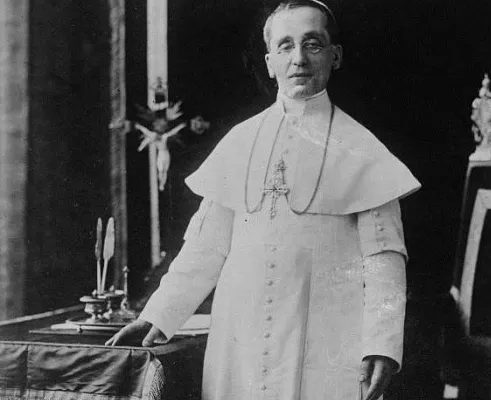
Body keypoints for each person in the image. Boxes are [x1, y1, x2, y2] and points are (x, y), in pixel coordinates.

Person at [107, 1, 421, 399]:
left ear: (335, 55)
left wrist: (381, 344)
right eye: (286, 46)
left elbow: (384, 260)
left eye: (313, 44)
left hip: (327, 341)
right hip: (242, 341)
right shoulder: (240, 141)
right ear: (270, 62)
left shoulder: (362, 149)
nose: (299, 58)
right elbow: (205, 248)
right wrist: (159, 314)